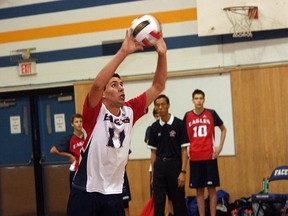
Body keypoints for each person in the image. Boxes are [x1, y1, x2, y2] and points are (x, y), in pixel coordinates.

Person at [67, 29, 167, 216]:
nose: (121, 88)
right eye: (114, 85)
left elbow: (158, 85)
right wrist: (124, 52)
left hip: (113, 192)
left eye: (121, 84)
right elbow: (97, 85)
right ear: (104, 94)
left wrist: (162, 55)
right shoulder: (94, 111)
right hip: (86, 190)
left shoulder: (130, 109)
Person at [183, 89, 227, 216]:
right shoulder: (187, 116)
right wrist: (186, 149)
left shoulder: (211, 113)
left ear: (204, 99)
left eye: (201, 98)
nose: (198, 101)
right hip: (195, 158)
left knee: (212, 190)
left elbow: (223, 129)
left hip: (209, 157)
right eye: (196, 98)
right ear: (192, 100)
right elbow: (183, 135)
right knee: (199, 191)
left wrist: (219, 147)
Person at [148, 94, 189, 216]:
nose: (160, 107)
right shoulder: (154, 128)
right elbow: (153, 152)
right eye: (157, 105)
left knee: (178, 202)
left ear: (168, 106)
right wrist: (153, 174)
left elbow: (184, 150)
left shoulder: (179, 124)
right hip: (160, 166)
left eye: (162, 104)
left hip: (175, 166)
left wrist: (183, 172)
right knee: (159, 204)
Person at [145, 108, 174, 215]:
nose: (159, 116)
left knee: (171, 195)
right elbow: (152, 147)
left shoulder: (171, 127)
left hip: (170, 166)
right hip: (156, 166)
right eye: (156, 115)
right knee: (157, 197)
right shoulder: (152, 128)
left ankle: (171, 213)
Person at [50, 113, 85, 188]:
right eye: (76, 122)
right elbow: (53, 150)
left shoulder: (87, 137)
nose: (79, 124)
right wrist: (69, 155)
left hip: (87, 169)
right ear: (72, 124)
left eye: (80, 121)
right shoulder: (69, 139)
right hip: (76, 169)